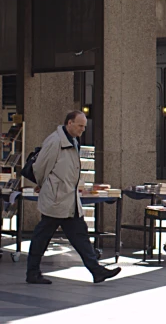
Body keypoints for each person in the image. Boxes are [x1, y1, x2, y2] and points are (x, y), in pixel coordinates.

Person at [27, 111, 121, 284]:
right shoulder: (55, 141)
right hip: (57, 198)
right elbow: (39, 167)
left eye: (84, 126)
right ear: (69, 123)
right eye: (80, 125)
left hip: (68, 200)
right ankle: (32, 272)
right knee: (43, 236)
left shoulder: (73, 141)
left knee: (79, 236)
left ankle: (96, 270)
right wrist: (45, 185)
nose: (82, 129)